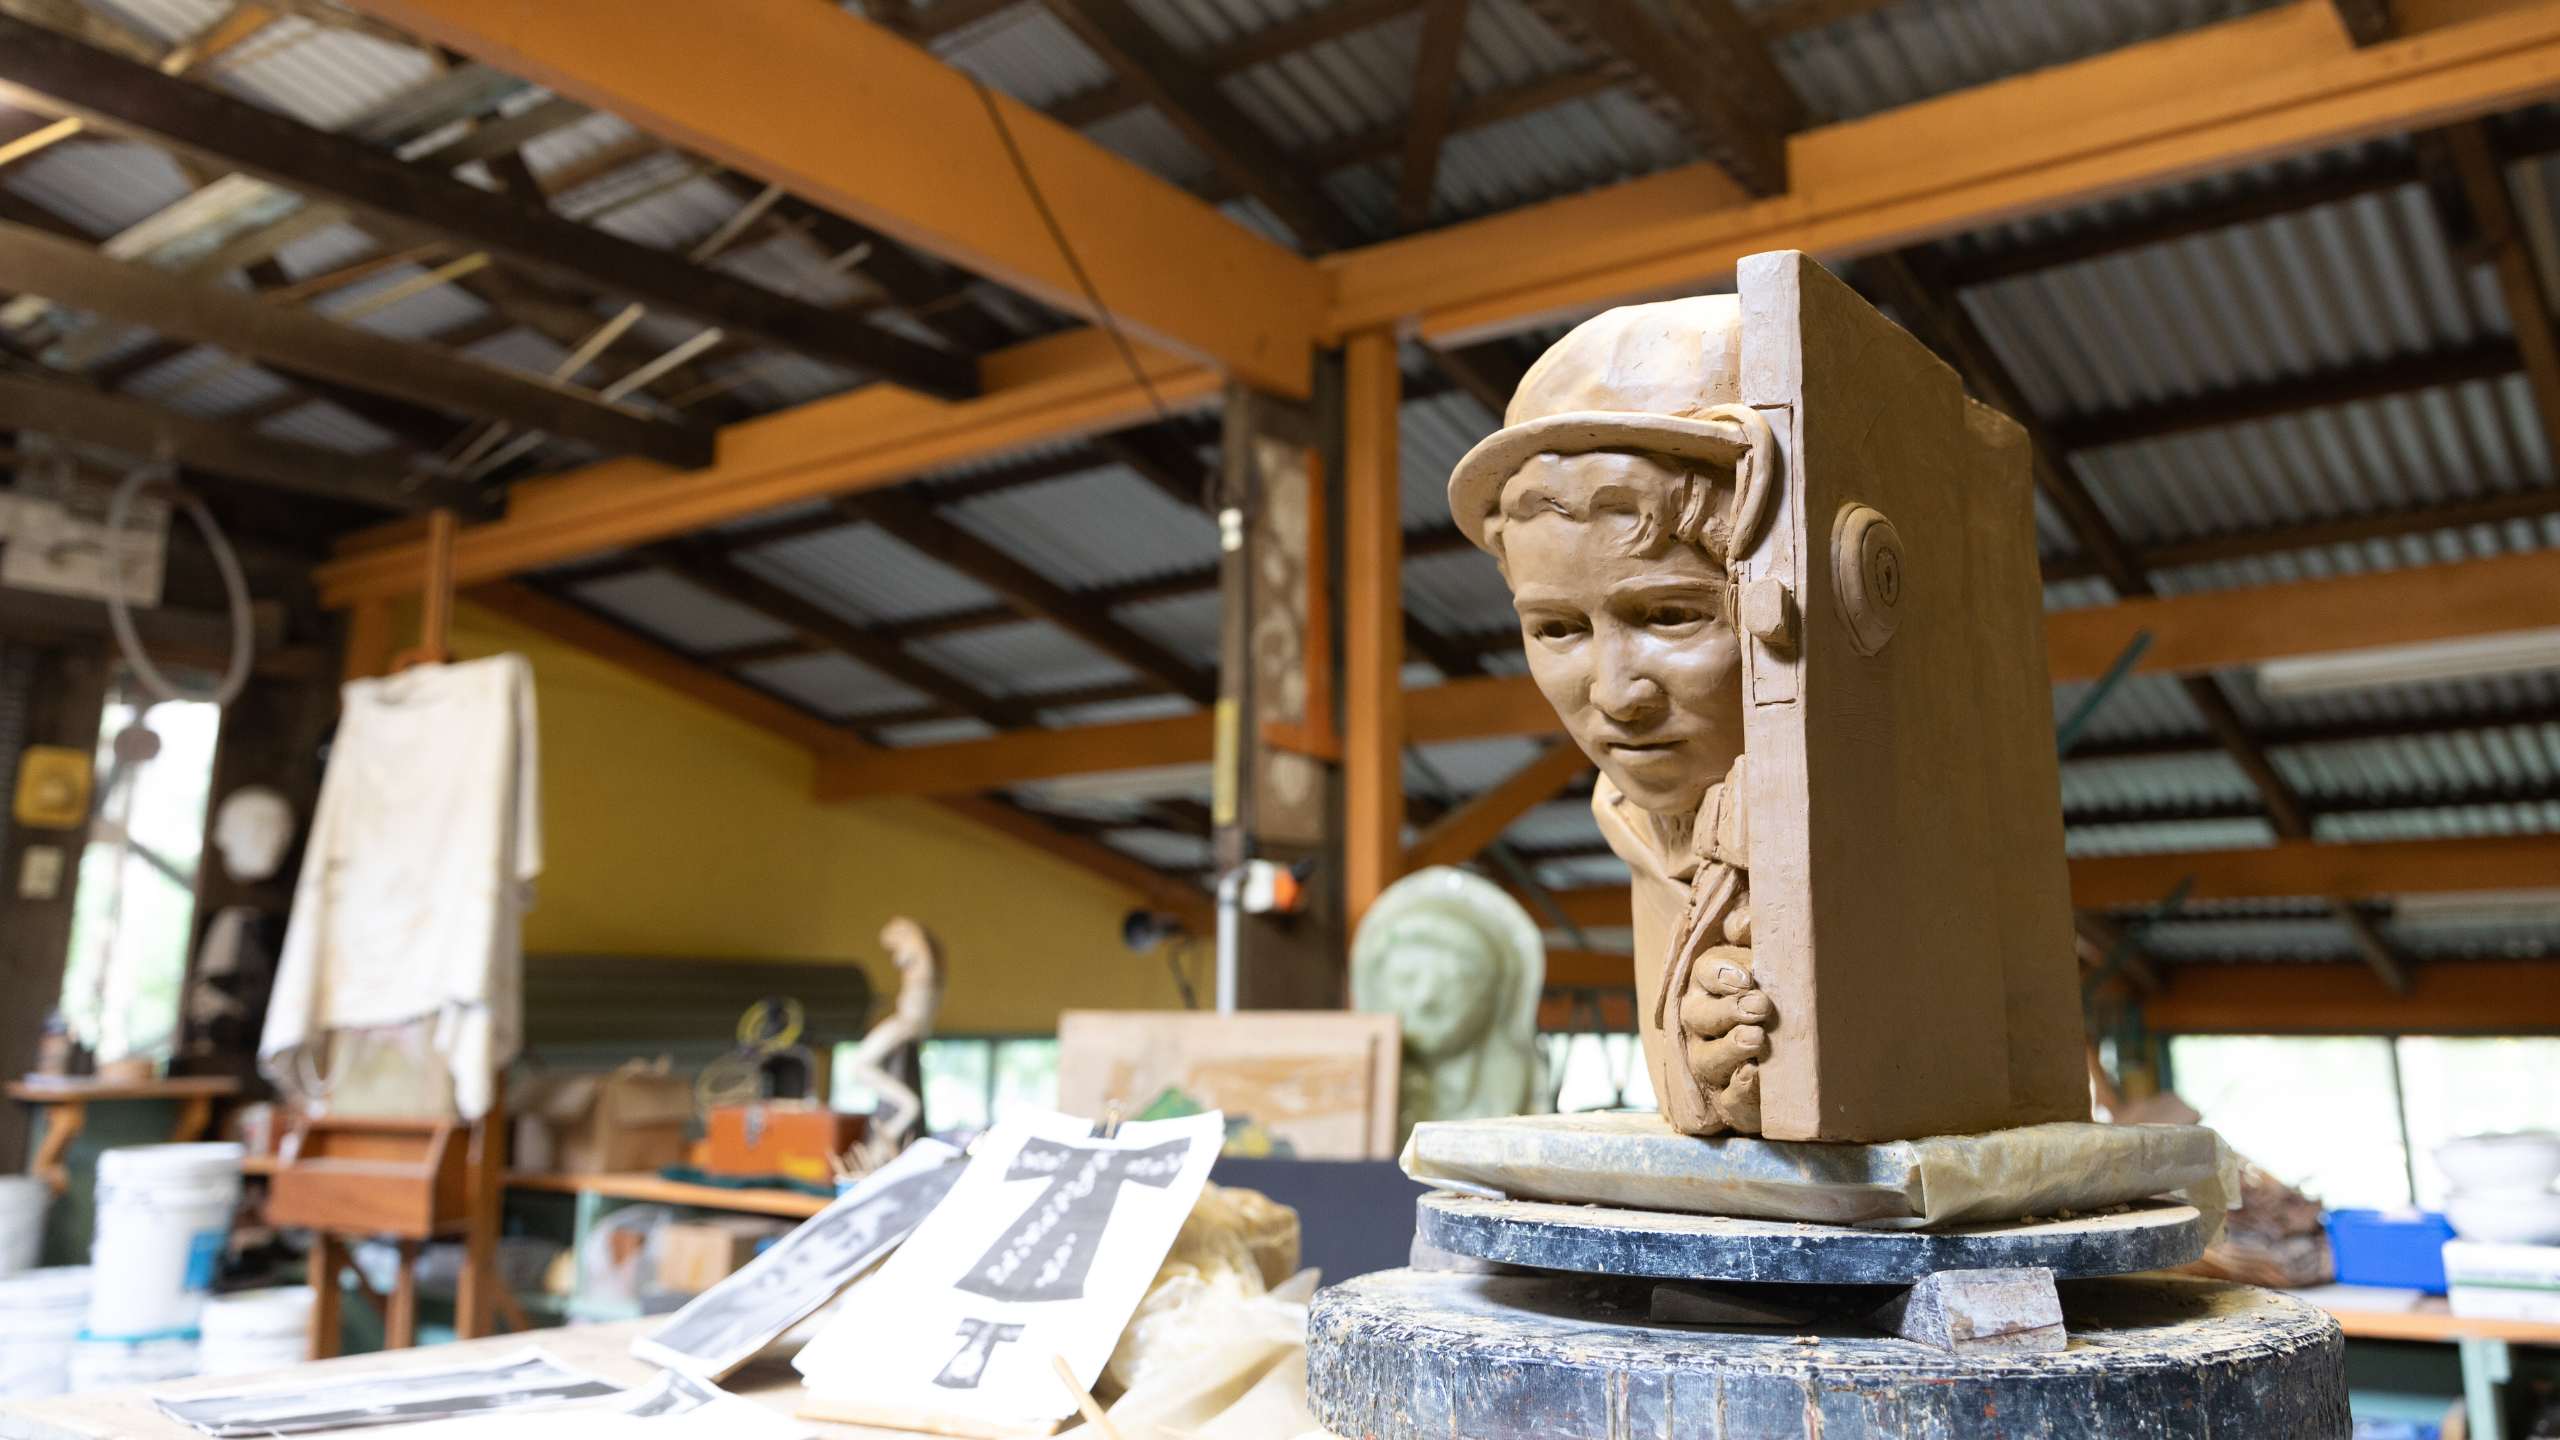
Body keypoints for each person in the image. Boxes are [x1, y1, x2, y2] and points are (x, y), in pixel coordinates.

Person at [1443, 295, 1779, 1137]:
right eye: (1557, 629)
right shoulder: (1630, 817)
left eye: (1670, 616)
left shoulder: (1888, 823)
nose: (1617, 695)